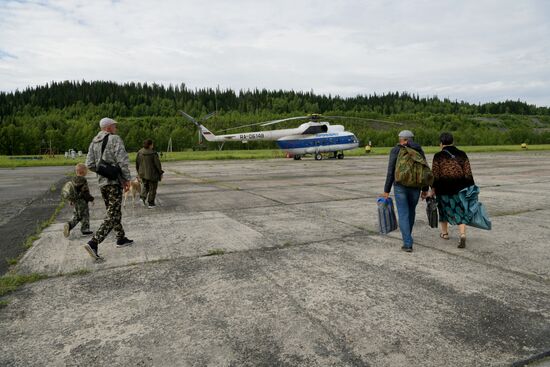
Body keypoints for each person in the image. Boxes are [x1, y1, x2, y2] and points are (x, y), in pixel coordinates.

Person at [84, 117, 133, 261]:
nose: (116, 128)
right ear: (108, 128)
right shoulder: (114, 139)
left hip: (102, 184)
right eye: (114, 126)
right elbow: (122, 160)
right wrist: (126, 179)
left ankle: (120, 238)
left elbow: (89, 164)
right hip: (114, 183)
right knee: (112, 214)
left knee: (113, 211)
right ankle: (93, 243)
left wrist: (103, 171)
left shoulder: (94, 142)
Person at [382, 130, 429, 252]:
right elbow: (425, 171)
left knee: (403, 213)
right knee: (411, 211)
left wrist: (386, 190)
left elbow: (390, 171)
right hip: (416, 186)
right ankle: (408, 236)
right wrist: (425, 189)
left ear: (404, 139)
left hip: (400, 186)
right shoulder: (419, 150)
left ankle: (407, 243)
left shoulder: (396, 150)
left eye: (400, 138)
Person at [430, 132, 475, 248]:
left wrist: (433, 189)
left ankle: (444, 233)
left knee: (443, 211)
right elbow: (468, 173)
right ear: (452, 141)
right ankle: (463, 234)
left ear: (441, 143)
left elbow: (435, 175)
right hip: (459, 189)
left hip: (443, 189)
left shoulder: (438, 156)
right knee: (460, 211)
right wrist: (471, 187)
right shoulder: (462, 154)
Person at [63, 163, 94, 237]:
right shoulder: (83, 180)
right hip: (82, 201)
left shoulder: (73, 179)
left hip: (76, 201)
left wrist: (71, 200)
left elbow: (71, 191)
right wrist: (91, 199)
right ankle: (81, 228)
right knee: (84, 215)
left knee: (78, 215)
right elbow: (85, 192)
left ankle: (75, 226)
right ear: (83, 172)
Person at [136, 139, 164, 208]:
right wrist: (160, 172)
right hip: (152, 174)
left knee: (145, 186)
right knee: (152, 189)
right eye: (152, 144)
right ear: (150, 145)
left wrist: (139, 172)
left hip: (142, 173)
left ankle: (142, 198)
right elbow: (157, 164)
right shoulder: (153, 153)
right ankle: (151, 203)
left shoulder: (140, 152)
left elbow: (137, 163)